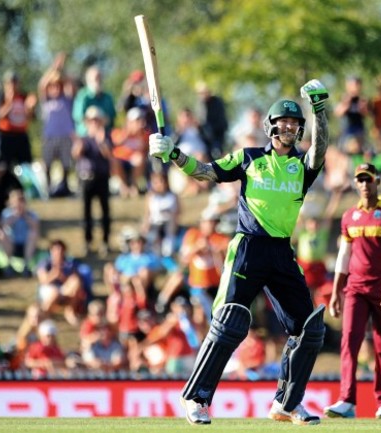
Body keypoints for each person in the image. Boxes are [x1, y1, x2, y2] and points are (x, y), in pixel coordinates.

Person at [149, 79, 329, 425]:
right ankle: (196, 398)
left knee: (308, 330)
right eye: (284, 123)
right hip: (247, 246)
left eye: (295, 124)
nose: (290, 128)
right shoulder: (249, 159)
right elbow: (206, 172)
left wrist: (319, 110)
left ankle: (287, 404)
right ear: (271, 126)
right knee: (228, 321)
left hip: (281, 251)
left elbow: (320, 149)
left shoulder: (302, 168)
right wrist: (173, 153)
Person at [325, 162, 381, 420]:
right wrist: (336, 292)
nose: (363, 184)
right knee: (349, 341)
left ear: (377, 181)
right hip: (356, 289)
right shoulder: (349, 216)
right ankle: (347, 401)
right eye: (359, 180)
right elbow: (343, 255)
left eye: (368, 179)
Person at [71, 106, 112, 256]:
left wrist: (101, 141)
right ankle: (88, 242)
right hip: (86, 179)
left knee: (105, 212)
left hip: (101, 178)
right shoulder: (83, 138)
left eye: (96, 120)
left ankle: (105, 241)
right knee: (86, 213)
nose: (94, 123)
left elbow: (108, 155)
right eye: (91, 120)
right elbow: (76, 154)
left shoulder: (105, 137)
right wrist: (79, 144)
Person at [38, 52, 75, 197]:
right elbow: (42, 84)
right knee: (47, 163)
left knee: (66, 164)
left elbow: (70, 85)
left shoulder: (66, 100)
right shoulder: (46, 101)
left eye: (57, 86)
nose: (55, 89)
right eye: (52, 86)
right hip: (49, 137)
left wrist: (62, 70)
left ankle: (65, 186)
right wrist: (53, 68)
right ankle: (48, 188)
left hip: (65, 136)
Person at [0, 69, 37, 169]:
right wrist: (9, 102)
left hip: (21, 135)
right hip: (6, 135)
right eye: (10, 83)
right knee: (5, 165)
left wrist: (30, 108)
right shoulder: (1, 97)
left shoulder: (24, 97)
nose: (12, 86)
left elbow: (31, 117)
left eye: (14, 82)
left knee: (25, 165)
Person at [0, 188, 39, 276]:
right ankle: (8, 265)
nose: (18, 204)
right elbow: (3, 226)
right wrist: (15, 216)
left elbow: (36, 227)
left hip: (26, 245)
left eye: (21, 201)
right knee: (1, 234)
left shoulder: (32, 215)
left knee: (33, 233)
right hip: (12, 244)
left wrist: (24, 215)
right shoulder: (7, 214)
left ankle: (26, 266)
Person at [194, 81, 228, 159]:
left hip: (217, 134)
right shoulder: (199, 104)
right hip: (204, 136)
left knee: (216, 153)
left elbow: (221, 121)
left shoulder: (217, 102)